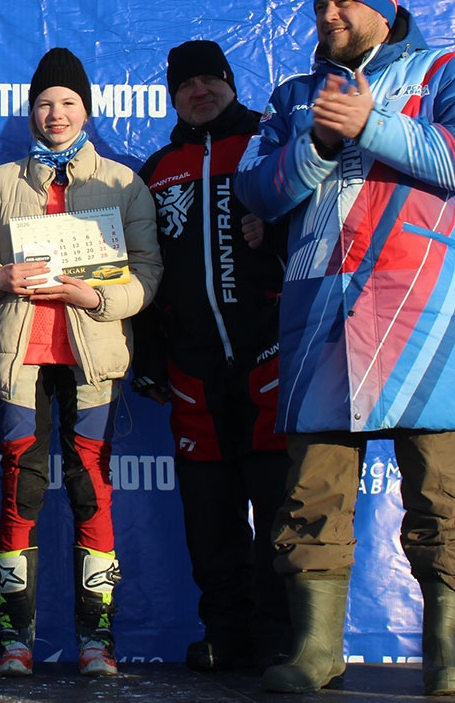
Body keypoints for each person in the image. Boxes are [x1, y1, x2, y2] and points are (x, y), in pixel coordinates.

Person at [235, 0, 455, 696]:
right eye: (321, 6)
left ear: (381, 10)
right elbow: (256, 192)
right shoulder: (295, 95)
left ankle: (448, 652)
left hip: (423, 314)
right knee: (312, 491)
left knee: (442, 489)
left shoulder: (445, 72)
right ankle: (318, 649)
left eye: (343, 5)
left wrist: (371, 124)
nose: (328, 17)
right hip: (321, 313)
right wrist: (319, 141)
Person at [0, 47, 161, 678]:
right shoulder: (0, 184)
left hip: (92, 360)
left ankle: (96, 641)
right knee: (21, 488)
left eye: (68, 102)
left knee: (90, 490)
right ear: (29, 111)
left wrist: (96, 296)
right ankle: (14, 641)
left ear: (87, 111)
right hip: (21, 358)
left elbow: (148, 275)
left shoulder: (123, 183)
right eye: (44, 102)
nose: (55, 113)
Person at [132, 40, 291, 672]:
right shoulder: (159, 167)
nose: (200, 91)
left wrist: (272, 229)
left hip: (271, 355)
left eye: (211, 80)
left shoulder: (269, 142)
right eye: (186, 84)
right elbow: (142, 269)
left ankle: (282, 634)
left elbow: (322, 220)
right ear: (172, 96)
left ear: (230, 83)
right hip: (193, 367)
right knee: (210, 516)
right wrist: (148, 353)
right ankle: (225, 631)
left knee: (281, 507)